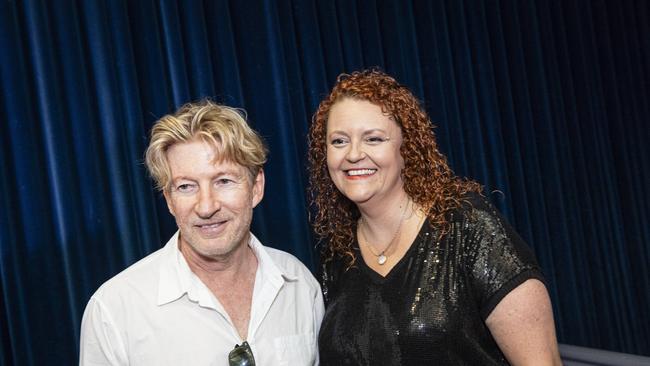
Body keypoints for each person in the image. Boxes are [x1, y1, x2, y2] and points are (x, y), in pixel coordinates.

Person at [308, 70, 561, 365]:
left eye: (373, 139)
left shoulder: (467, 227)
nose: (353, 154)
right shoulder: (336, 256)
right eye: (338, 141)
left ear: (407, 149)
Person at [80, 100, 324, 365]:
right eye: (186, 186)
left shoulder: (298, 284)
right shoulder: (114, 310)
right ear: (169, 200)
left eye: (223, 181)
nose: (206, 206)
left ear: (256, 187)